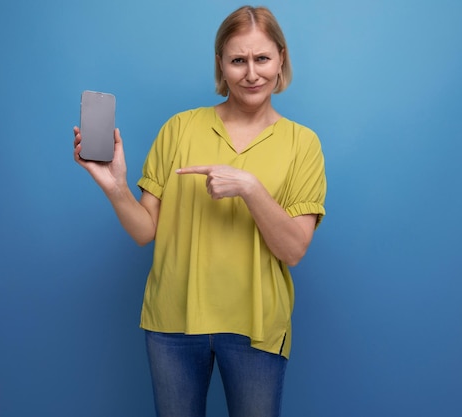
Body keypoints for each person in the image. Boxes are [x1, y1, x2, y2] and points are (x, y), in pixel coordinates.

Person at [73, 5, 326, 417]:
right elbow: (143, 231)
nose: (251, 73)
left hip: (256, 328)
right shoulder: (179, 128)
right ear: (220, 64)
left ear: (281, 58)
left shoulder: (303, 145)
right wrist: (116, 187)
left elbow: (293, 250)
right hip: (173, 323)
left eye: (262, 58)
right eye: (237, 60)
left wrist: (248, 187)